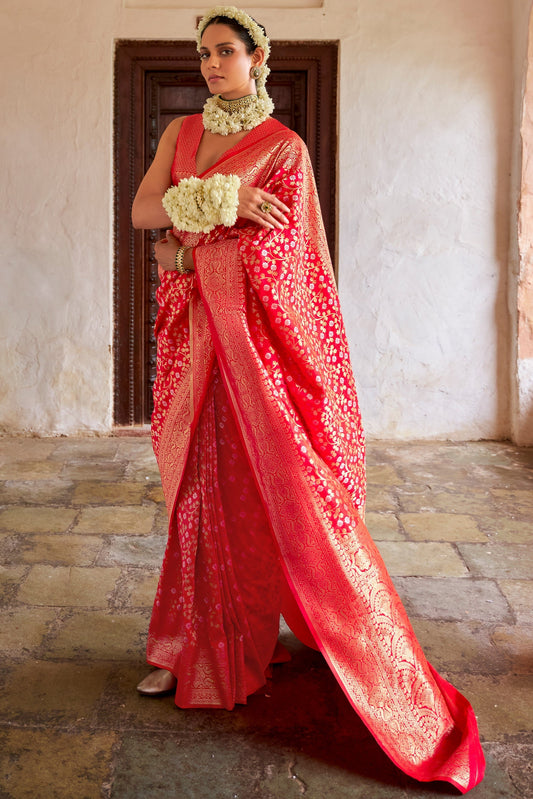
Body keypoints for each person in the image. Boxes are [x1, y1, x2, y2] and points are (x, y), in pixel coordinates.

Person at [131, 6, 485, 793]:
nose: (212, 64)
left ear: (258, 59)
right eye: (204, 53)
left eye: (226, 51)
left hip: (257, 355)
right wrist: (215, 209)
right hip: (195, 350)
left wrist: (187, 248)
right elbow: (142, 213)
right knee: (194, 492)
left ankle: (247, 648)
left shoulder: (285, 151)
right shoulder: (180, 137)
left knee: (264, 496)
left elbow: (285, 262)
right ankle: (189, 645)